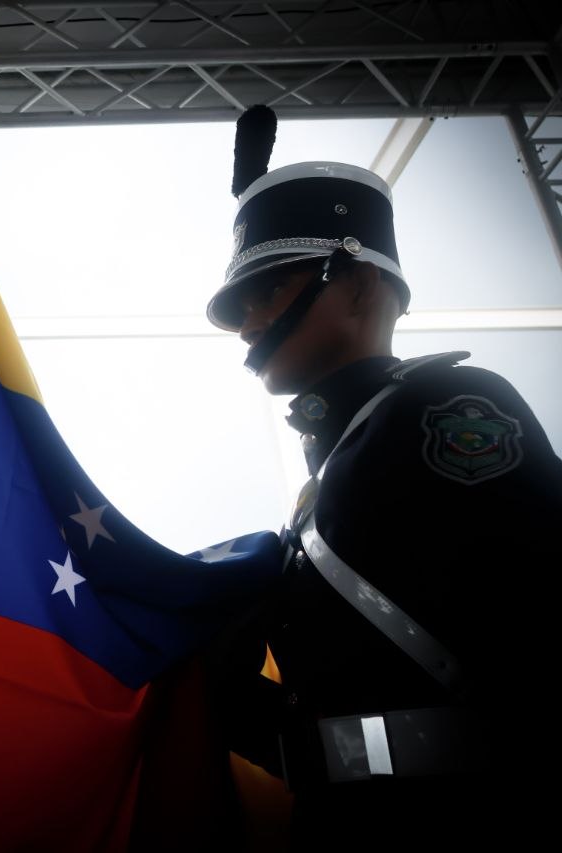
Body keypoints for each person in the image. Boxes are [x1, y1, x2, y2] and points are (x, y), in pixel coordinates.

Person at [207, 106, 562, 850]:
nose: (246, 324)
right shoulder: (323, 488)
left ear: (361, 287)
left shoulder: (448, 408)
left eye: (266, 290)